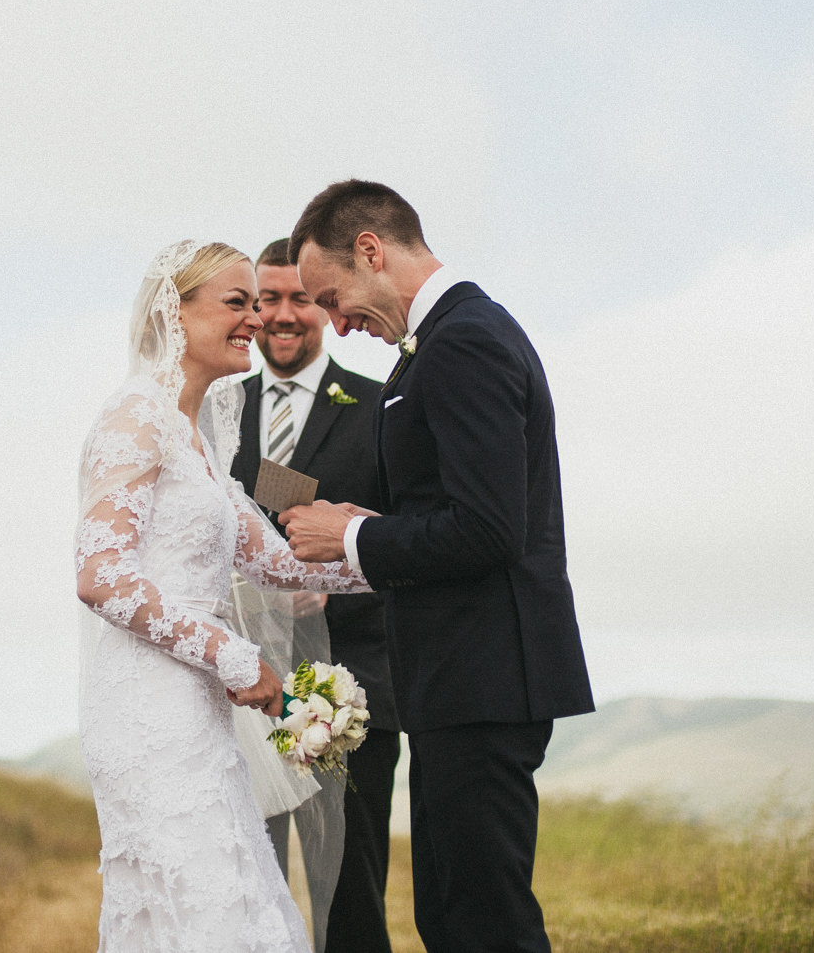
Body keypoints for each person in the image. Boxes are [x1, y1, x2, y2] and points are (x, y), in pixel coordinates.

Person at [281, 181, 594, 953]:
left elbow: (489, 529)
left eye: (330, 298)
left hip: (486, 674)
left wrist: (354, 542)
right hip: (460, 678)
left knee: (482, 921)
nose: (335, 322)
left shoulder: (464, 340)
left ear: (371, 251)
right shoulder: (438, 342)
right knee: (453, 915)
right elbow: (448, 505)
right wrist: (368, 522)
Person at [75, 239, 375, 952]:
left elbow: (273, 561)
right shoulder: (135, 417)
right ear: (173, 315)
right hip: (149, 706)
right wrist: (233, 656)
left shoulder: (200, 434)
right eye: (237, 303)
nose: (256, 320)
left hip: (199, 706)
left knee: (235, 899)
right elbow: (100, 574)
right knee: (193, 900)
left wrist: (380, 550)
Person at [231, 238, 397, 953]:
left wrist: (335, 598)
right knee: (245, 880)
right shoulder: (214, 405)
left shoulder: (380, 404)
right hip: (240, 685)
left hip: (351, 682)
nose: (282, 314)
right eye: (266, 299)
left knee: (349, 886)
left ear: (324, 305)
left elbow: (412, 541)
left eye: (299, 297)